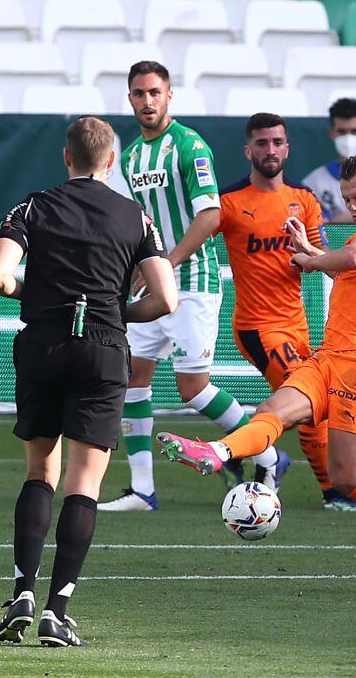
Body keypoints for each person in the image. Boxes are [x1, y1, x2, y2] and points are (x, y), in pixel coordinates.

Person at [158, 155, 356, 575]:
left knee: (346, 477)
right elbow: (353, 269)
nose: (354, 205)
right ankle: (216, 451)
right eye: (348, 198)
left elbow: (354, 259)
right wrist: (311, 250)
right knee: (271, 412)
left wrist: (312, 260)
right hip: (331, 356)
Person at [0, 117, 177, 646]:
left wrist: (27, 293)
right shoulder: (135, 217)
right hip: (102, 348)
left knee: (38, 471)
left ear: (66, 157)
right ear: (111, 160)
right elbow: (166, 299)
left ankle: (22, 592)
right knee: (85, 483)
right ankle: (57, 610)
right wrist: (117, 311)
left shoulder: (33, 207)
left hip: (44, 343)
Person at [100, 60, 282, 512]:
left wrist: (164, 262)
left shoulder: (189, 146)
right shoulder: (131, 158)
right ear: (130, 99)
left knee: (193, 388)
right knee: (133, 380)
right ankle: (143, 489)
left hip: (193, 282)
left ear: (169, 95)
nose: (147, 101)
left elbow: (211, 216)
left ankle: (269, 454)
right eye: (139, 94)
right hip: (154, 282)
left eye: (155, 93)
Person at [216, 112, 356, 511]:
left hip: (296, 325)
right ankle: (335, 493)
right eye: (262, 143)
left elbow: (322, 255)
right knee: (311, 404)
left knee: (310, 405)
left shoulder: (304, 201)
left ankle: (262, 459)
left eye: (278, 142)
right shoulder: (229, 202)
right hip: (257, 327)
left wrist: (338, 275)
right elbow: (196, 232)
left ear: (287, 148)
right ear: (248, 150)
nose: (271, 150)